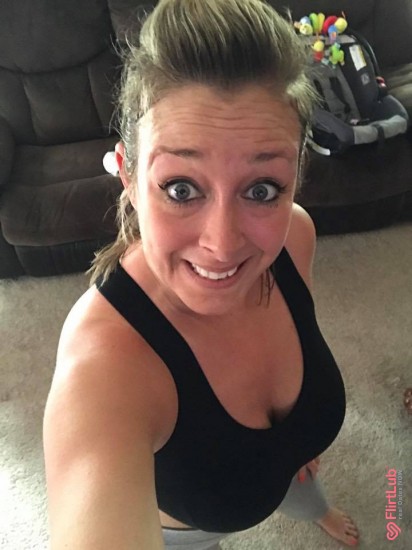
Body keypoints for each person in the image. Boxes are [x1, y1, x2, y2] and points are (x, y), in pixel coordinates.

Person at [43, 1, 360, 548]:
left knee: (302, 482)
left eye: (262, 189)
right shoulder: (102, 368)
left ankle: (317, 510)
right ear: (129, 177)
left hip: (291, 471)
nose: (222, 244)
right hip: (192, 534)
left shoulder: (294, 235)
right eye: (181, 188)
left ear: (295, 176)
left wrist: (297, 443)